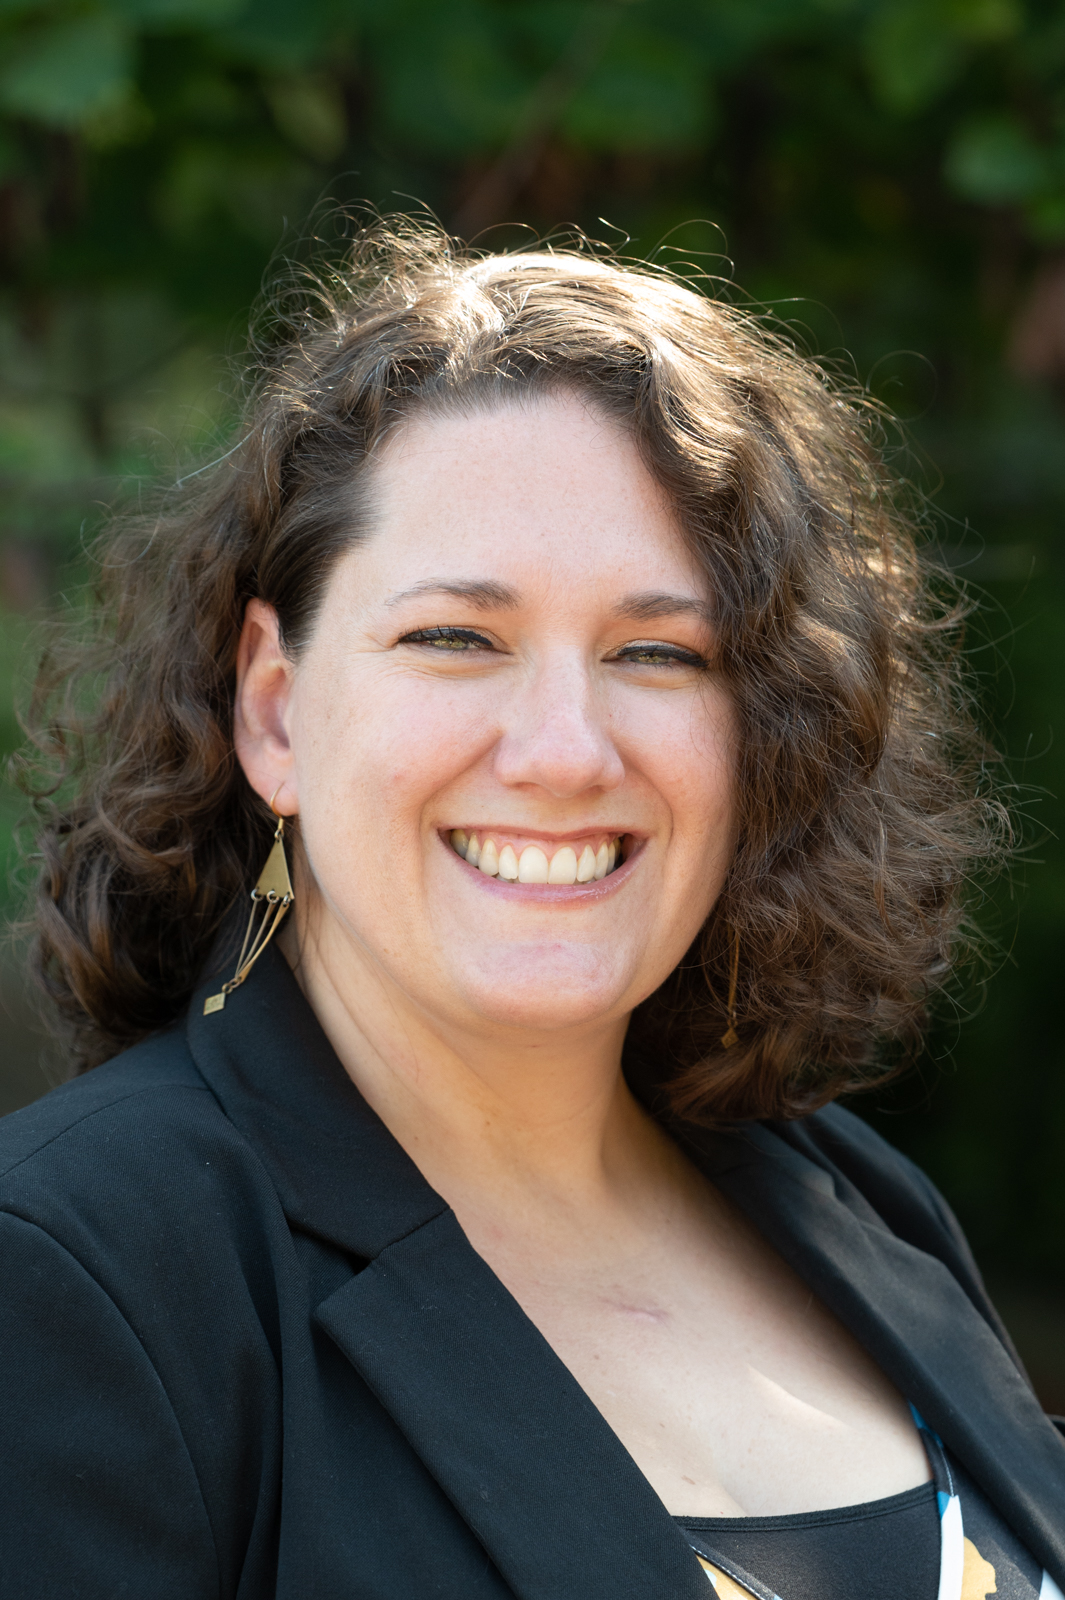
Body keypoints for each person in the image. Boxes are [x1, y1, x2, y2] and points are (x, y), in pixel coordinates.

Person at [1, 224, 1062, 1600]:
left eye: (655, 652)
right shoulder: (77, 1278)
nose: (564, 750)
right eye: (456, 638)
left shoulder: (849, 1198)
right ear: (272, 707)